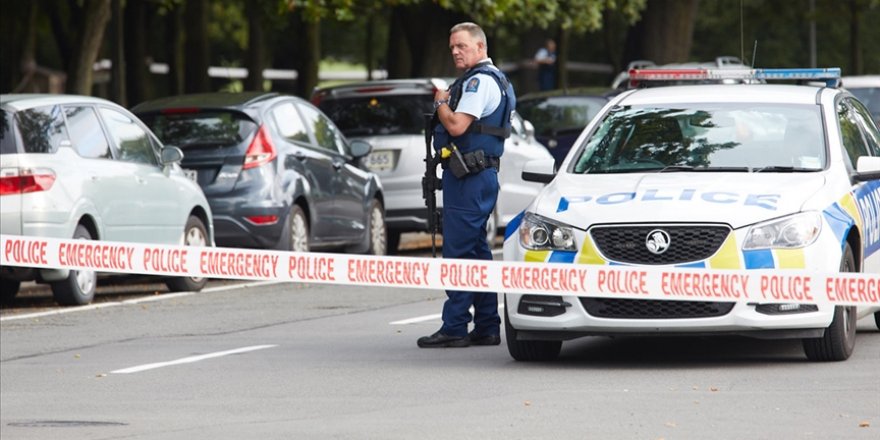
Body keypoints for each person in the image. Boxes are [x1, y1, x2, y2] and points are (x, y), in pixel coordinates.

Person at [417, 22, 516, 348]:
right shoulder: (494, 80)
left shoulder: (477, 81)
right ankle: (487, 325)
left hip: (469, 178)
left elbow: (458, 126)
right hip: (477, 175)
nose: (456, 52)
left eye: (461, 46)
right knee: (476, 252)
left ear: (480, 47)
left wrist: (440, 103)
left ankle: (455, 326)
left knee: (458, 252)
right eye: (452, 48)